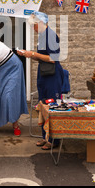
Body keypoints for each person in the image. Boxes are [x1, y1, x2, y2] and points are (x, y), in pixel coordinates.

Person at [16, 11, 64, 150]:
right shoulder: (42, 36)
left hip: (52, 76)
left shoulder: (51, 36)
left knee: (51, 107)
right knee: (43, 106)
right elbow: (42, 56)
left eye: (34, 26)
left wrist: (33, 54)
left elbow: (54, 58)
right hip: (44, 73)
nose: (33, 29)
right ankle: (45, 137)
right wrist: (29, 54)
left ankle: (53, 140)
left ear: (41, 23)